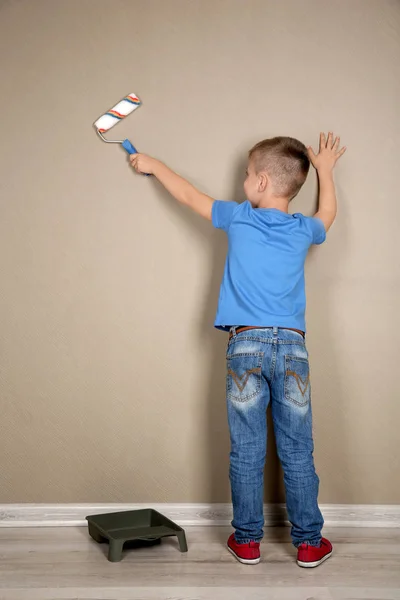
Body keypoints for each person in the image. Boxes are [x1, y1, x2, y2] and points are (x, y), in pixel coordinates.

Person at [130, 132, 346, 568]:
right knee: (298, 450)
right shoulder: (304, 229)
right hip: (292, 349)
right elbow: (327, 213)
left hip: (245, 344)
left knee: (246, 450)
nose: (243, 181)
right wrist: (324, 171)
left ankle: (247, 541)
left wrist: (152, 164)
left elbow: (188, 195)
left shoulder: (239, 218)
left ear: (262, 182)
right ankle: (308, 543)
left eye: (247, 175)